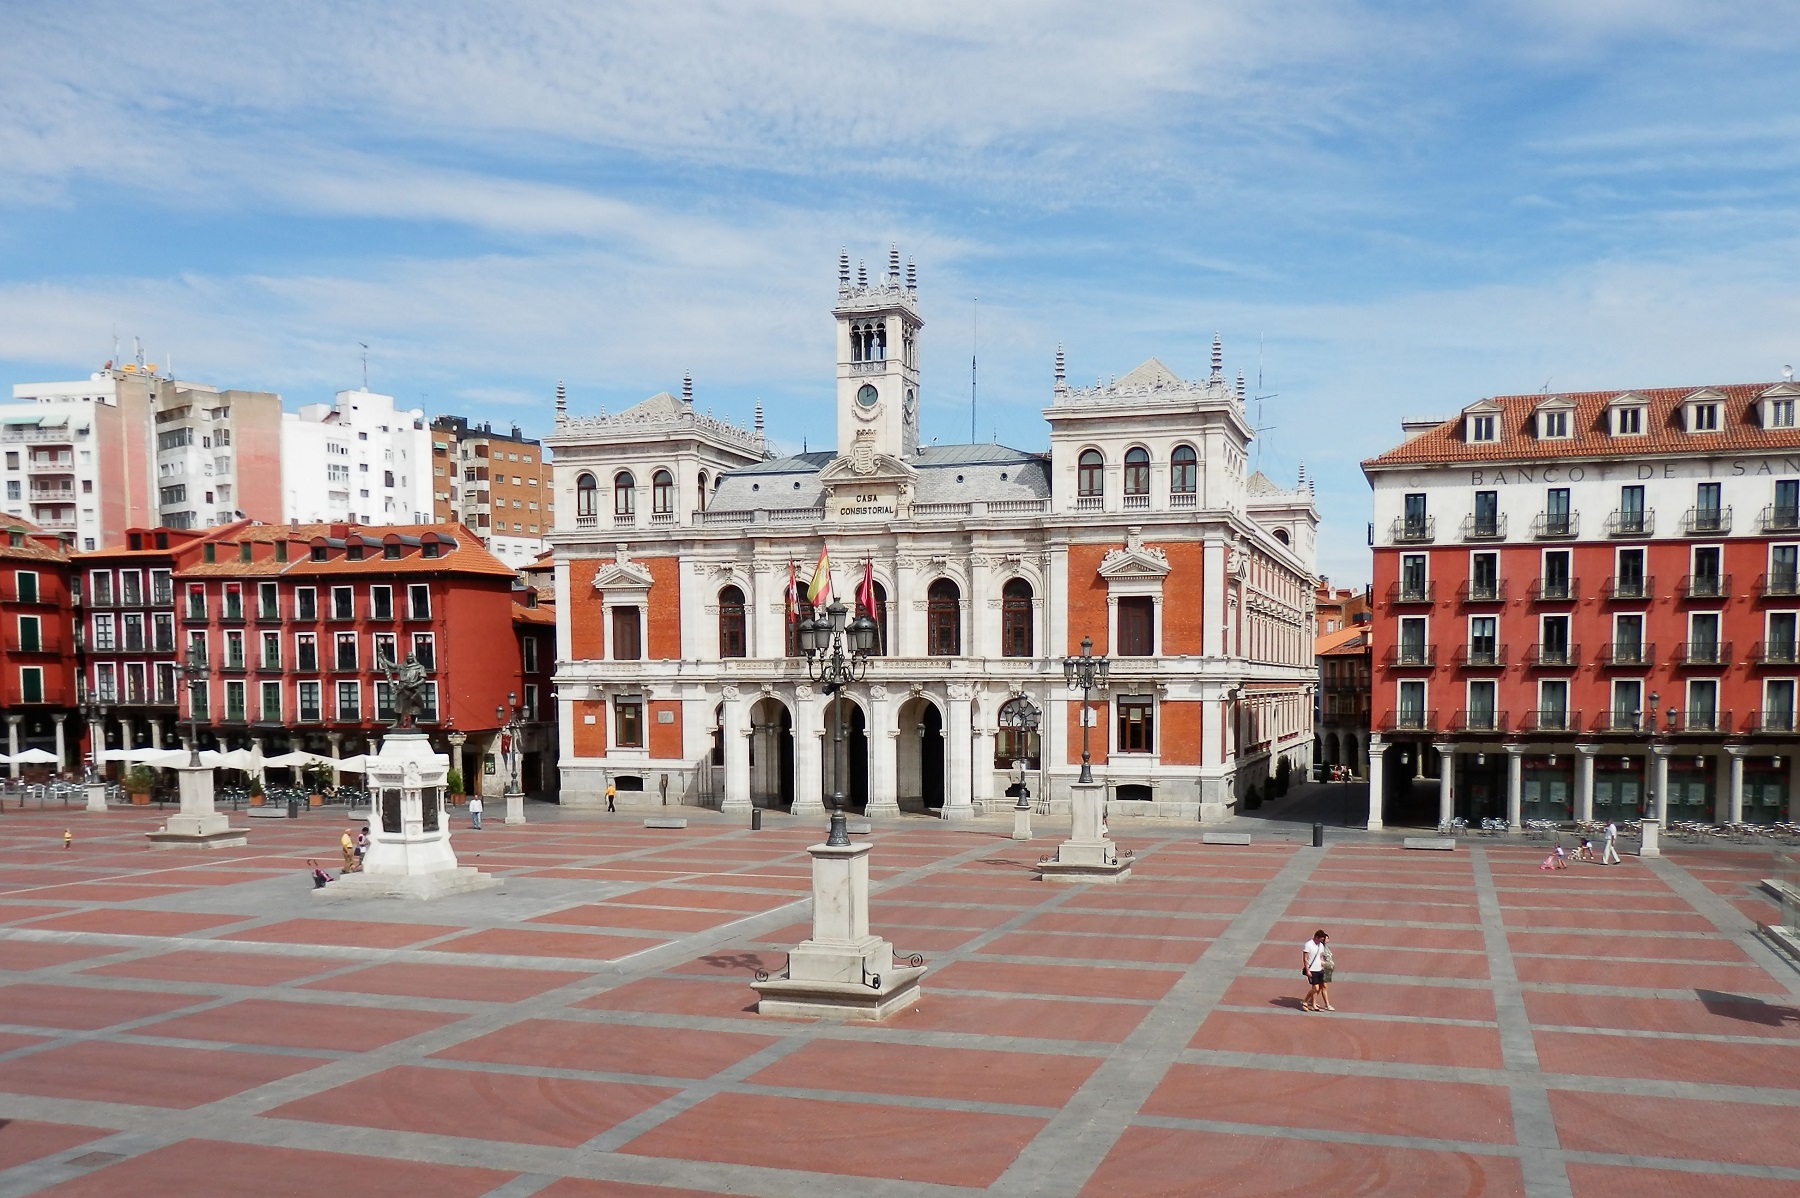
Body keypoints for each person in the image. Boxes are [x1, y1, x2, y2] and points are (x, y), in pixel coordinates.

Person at [1301, 930, 1330, 1012]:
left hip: (1319, 969)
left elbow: (1320, 956)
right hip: (1312, 969)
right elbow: (1305, 958)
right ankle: (1305, 1001)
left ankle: (1314, 1004)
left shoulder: (1320, 945)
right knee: (1316, 988)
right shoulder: (1308, 945)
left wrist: (1323, 965)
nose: (1322, 941)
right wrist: (1307, 970)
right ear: (1316, 937)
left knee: (1319, 987)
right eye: (1321, 939)